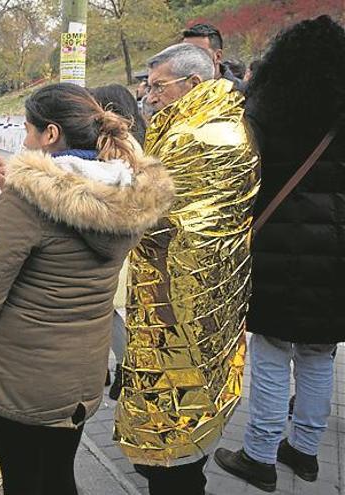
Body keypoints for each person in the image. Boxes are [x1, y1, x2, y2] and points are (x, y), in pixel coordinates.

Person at [0, 83, 174, 495]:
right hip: (81, 379)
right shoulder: (124, 192)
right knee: (61, 476)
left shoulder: (26, 200)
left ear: (50, 134)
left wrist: (11, 197)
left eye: (28, 131)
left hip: (25, 381)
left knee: (25, 482)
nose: (23, 142)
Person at [113, 43, 260, 495]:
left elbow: (143, 215)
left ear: (193, 85)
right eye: (148, 87)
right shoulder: (235, 124)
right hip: (217, 297)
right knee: (200, 401)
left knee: (173, 416)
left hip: (176, 304)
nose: (149, 97)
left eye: (159, 87)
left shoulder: (190, 138)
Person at [213, 15, 345, 493]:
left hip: (274, 247)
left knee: (271, 352)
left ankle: (260, 455)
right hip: (336, 255)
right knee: (318, 353)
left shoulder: (267, 105)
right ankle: (306, 454)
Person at [88, 84, 148, 400]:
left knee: (107, 308)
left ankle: (122, 368)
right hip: (135, 240)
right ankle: (119, 368)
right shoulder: (141, 140)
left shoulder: (113, 148)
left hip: (115, 241)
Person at [181, 23, 245, 91]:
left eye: (199, 53)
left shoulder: (241, 93)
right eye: (186, 52)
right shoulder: (176, 91)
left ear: (218, 56)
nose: (190, 58)